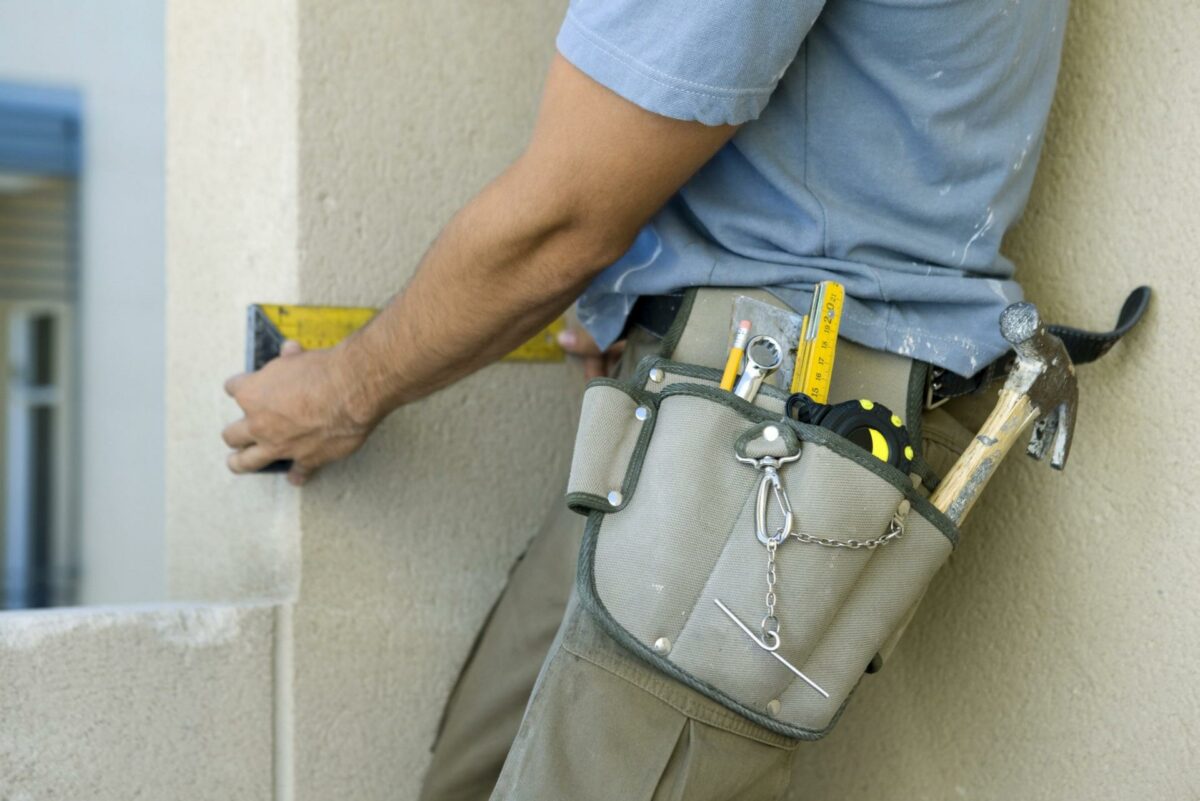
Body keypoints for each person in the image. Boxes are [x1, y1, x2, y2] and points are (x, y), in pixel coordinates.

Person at [222, 1, 1070, 798]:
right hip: (756, 414)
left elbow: (564, 219)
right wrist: (643, 293)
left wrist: (346, 388)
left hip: (767, 433)